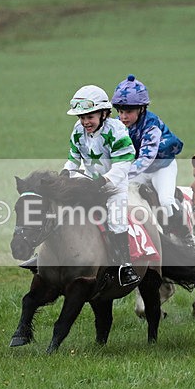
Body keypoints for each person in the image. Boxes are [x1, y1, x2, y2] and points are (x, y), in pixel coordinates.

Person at [61, 84, 142, 287]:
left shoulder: (117, 130)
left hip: (114, 186)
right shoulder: (78, 130)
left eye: (90, 117)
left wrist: (104, 181)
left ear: (104, 113)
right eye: (82, 117)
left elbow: (124, 163)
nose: (85, 122)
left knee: (116, 219)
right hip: (88, 182)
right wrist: (65, 173)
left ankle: (125, 266)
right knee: (63, 209)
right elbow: (73, 158)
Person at [111, 75, 186, 235]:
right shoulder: (117, 125)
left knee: (166, 201)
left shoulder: (151, 125)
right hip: (139, 170)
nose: (123, 116)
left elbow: (146, 158)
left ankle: (184, 236)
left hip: (161, 167)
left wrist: (122, 173)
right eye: (120, 111)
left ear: (141, 109)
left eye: (129, 112)